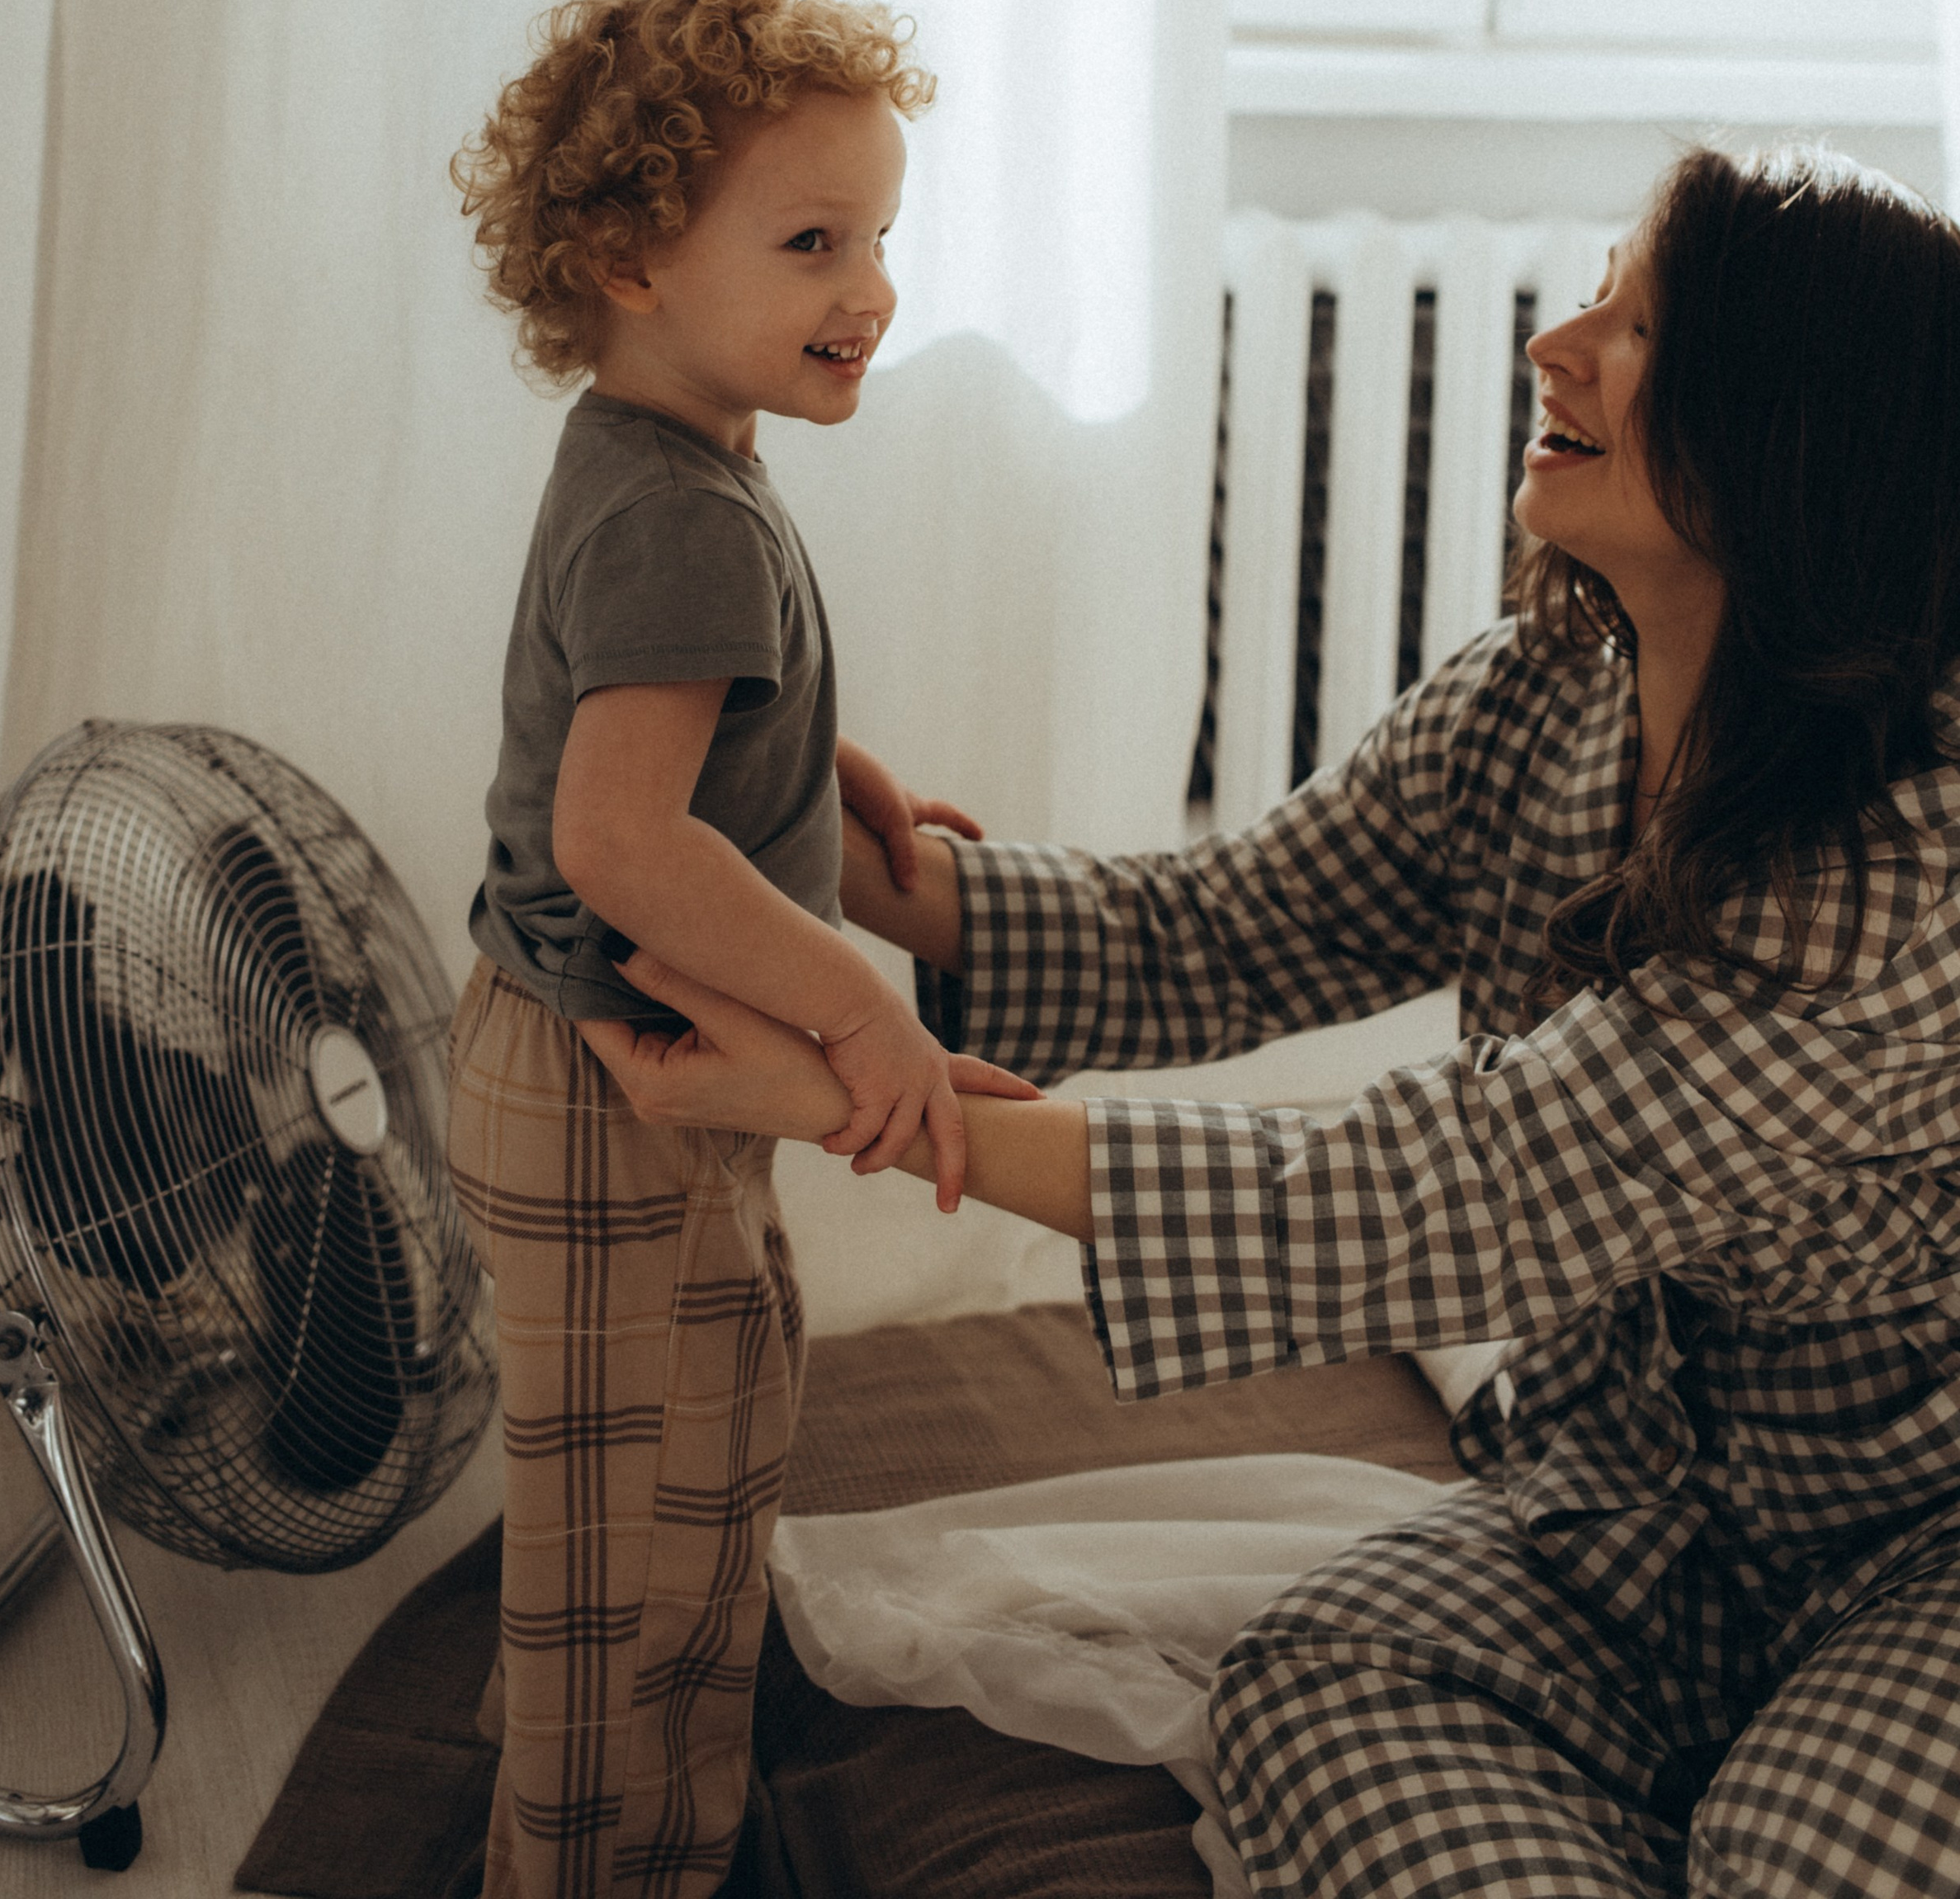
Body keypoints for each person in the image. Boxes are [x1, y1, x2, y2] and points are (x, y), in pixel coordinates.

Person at [594, 142, 1960, 1899]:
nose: (1557, 343)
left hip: (1920, 1552)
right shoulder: (1546, 687)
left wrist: (869, 1092)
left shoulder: (1904, 868)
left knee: (1792, 1855)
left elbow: (1419, 1196)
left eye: (1640, 324)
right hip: (1626, 1524)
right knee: (1313, 1681)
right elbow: (1230, 931)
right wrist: (883, 886)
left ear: (1796, 430)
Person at [444, 0, 1029, 1899]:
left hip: (592, 1054)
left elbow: (669, 736)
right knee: (641, 1521)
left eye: (873, 239)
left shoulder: (666, 454)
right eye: (809, 247)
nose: (867, 291)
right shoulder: (679, 503)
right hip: (613, 1071)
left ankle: (591, 1780)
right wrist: (863, 1012)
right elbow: (622, 839)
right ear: (629, 259)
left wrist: (821, 770)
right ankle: (595, 1855)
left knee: (692, 1428)